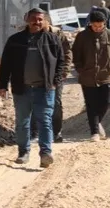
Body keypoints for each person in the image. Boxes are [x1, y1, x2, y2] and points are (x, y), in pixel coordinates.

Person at [0, 7, 64, 167]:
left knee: (45, 121)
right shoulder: (15, 40)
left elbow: (61, 62)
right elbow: (6, 64)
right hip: (22, 88)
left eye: (40, 19)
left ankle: (46, 153)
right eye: (34, 19)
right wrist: (2, 85)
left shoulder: (52, 39)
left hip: (45, 89)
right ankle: (23, 152)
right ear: (27, 19)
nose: (37, 22)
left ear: (44, 21)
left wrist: (56, 81)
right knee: (22, 122)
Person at [71, 9, 110, 141]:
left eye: (100, 26)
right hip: (87, 76)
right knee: (91, 105)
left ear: (104, 23)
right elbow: (75, 54)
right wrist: (80, 69)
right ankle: (94, 132)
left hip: (106, 75)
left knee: (107, 101)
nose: (98, 28)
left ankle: (97, 123)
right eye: (95, 26)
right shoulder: (82, 36)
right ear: (90, 24)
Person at [29, 14, 72, 142]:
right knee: (35, 102)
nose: (38, 23)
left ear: (47, 22)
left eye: (41, 21)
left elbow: (67, 53)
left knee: (56, 103)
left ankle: (56, 132)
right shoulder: (31, 34)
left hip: (55, 75)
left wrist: (64, 71)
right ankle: (35, 132)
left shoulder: (58, 34)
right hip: (36, 75)